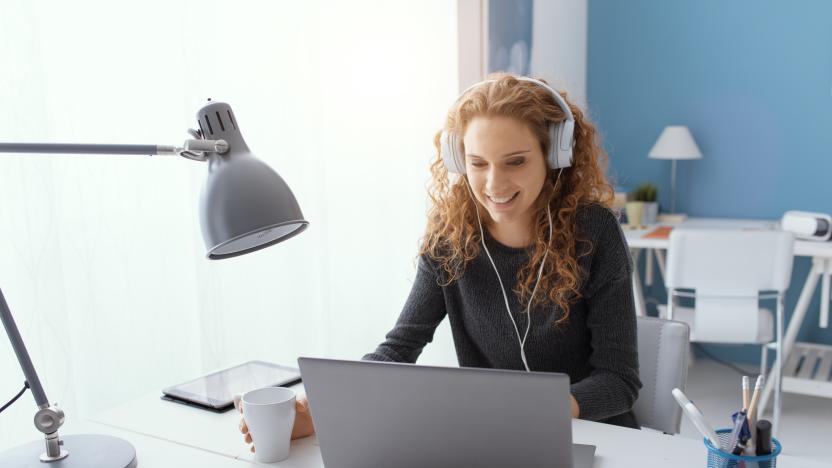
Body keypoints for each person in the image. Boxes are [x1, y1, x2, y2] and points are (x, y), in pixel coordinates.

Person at [239, 74, 641, 451]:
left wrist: (536, 414)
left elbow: (618, 381)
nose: (494, 184)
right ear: (458, 160)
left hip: (593, 438)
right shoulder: (451, 238)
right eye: (478, 163)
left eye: (515, 161)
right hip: (492, 441)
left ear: (554, 155)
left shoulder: (594, 232)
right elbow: (399, 348)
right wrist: (321, 410)